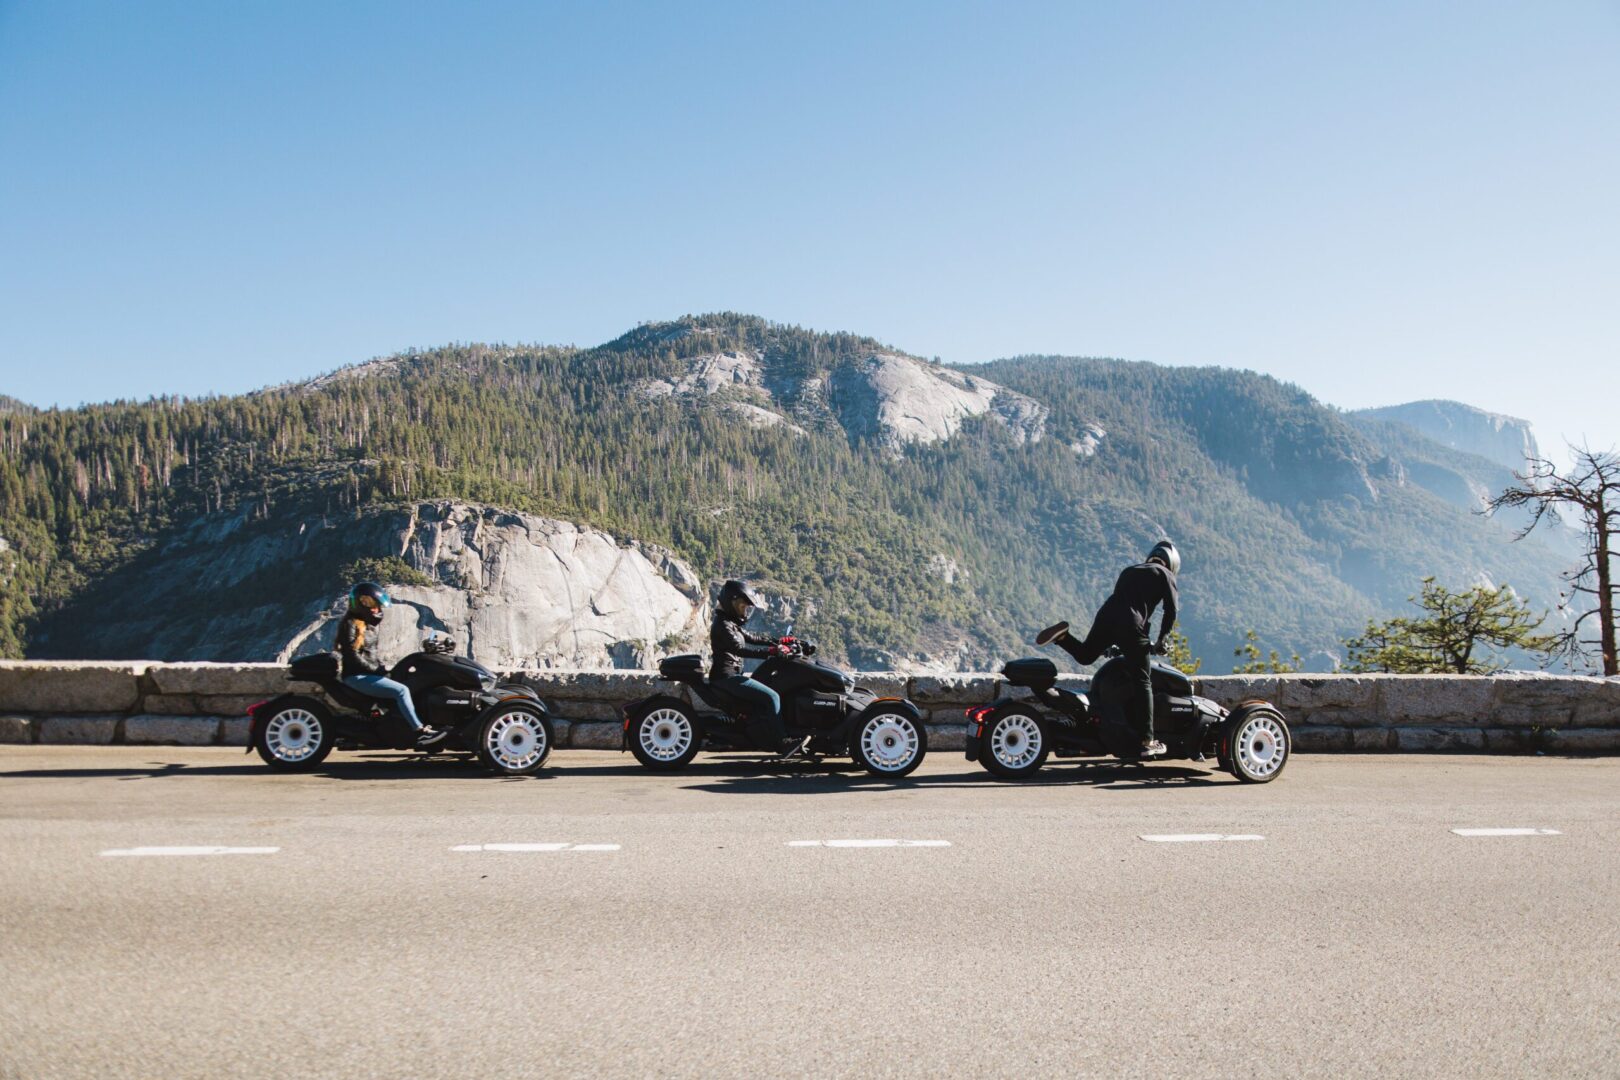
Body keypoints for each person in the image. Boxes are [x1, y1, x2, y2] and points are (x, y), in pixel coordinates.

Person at [1038, 539, 1180, 758]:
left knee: (1086, 655)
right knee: (1143, 681)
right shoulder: (1165, 574)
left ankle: (1063, 637)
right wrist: (1163, 639)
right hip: (1132, 624)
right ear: (1171, 564)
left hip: (1106, 615)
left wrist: (1115, 644)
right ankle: (1147, 739)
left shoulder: (1130, 571)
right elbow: (1171, 611)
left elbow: (1122, 604)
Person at [336, 581, 448, 748]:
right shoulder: (351, 625)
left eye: (379, 606)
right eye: (374, 606)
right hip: (356, 677)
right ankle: (419, 731)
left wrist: (385, 669)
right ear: (363, 603)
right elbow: (352, 656)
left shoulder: (366, 626)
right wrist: (378, 670)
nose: (378, 610)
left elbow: (371, 656)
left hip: (367, 674)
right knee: (401, 691)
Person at [709, 579, 807, 758]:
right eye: (742, 605)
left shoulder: (731, 623)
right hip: (726, 678)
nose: (744, 609)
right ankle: (782, 742)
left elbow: (752, 637)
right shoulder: (722, 626)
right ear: (731, 601)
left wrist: (779, 641)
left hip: (732, 675)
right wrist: (772, 651)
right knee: (772, 696)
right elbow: (739, 649)